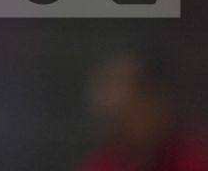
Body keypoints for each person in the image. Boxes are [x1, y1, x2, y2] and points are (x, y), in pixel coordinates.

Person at [76, 50, 208, 171]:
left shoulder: (197, 158)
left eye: (131, 112)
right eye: (112, 119)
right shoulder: (101, 166)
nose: (121, 129)